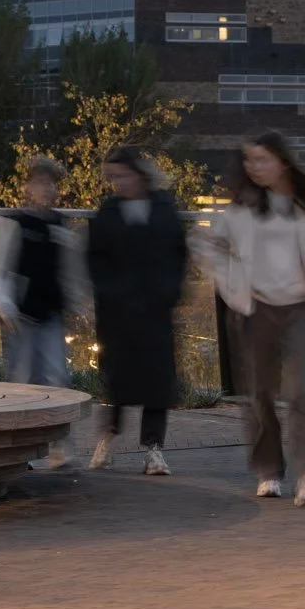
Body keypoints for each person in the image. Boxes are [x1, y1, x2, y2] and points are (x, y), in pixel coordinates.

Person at [200, 131, 305, 508]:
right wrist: (229, 286)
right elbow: (208, 246)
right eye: (249, 160)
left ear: (282, 161)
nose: (254, 167)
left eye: (262, 159)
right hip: (256, 310)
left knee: (299, 390)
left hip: (299, 307)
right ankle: (268, 471)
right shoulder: (240, 210)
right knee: (261, 395)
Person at [85, 145, 188, 477]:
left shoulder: (163, 209)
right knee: (117, 380)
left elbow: (177, 255)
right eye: (113, 177)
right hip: (117, 312)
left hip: (155, 310)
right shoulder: (108, 212)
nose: (118, 183)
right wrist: (111, 293)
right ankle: (107, 440)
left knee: (157, 381)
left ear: (139, 173)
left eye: (123, 175)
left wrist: (169, 293)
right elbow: (96, 260)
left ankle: (154, 448)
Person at [0, 157, 86, 468]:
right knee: (22, 381)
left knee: (57, 378)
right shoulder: (12, 223)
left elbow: (70, 270)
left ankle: (59, 446)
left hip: (50, 313)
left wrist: (78, 303)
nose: (46, 189)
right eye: (40, 182)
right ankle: (21, 449)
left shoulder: (60, 225)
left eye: (50, 183)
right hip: (21, 316)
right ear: (28, 187)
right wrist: (4, 306)